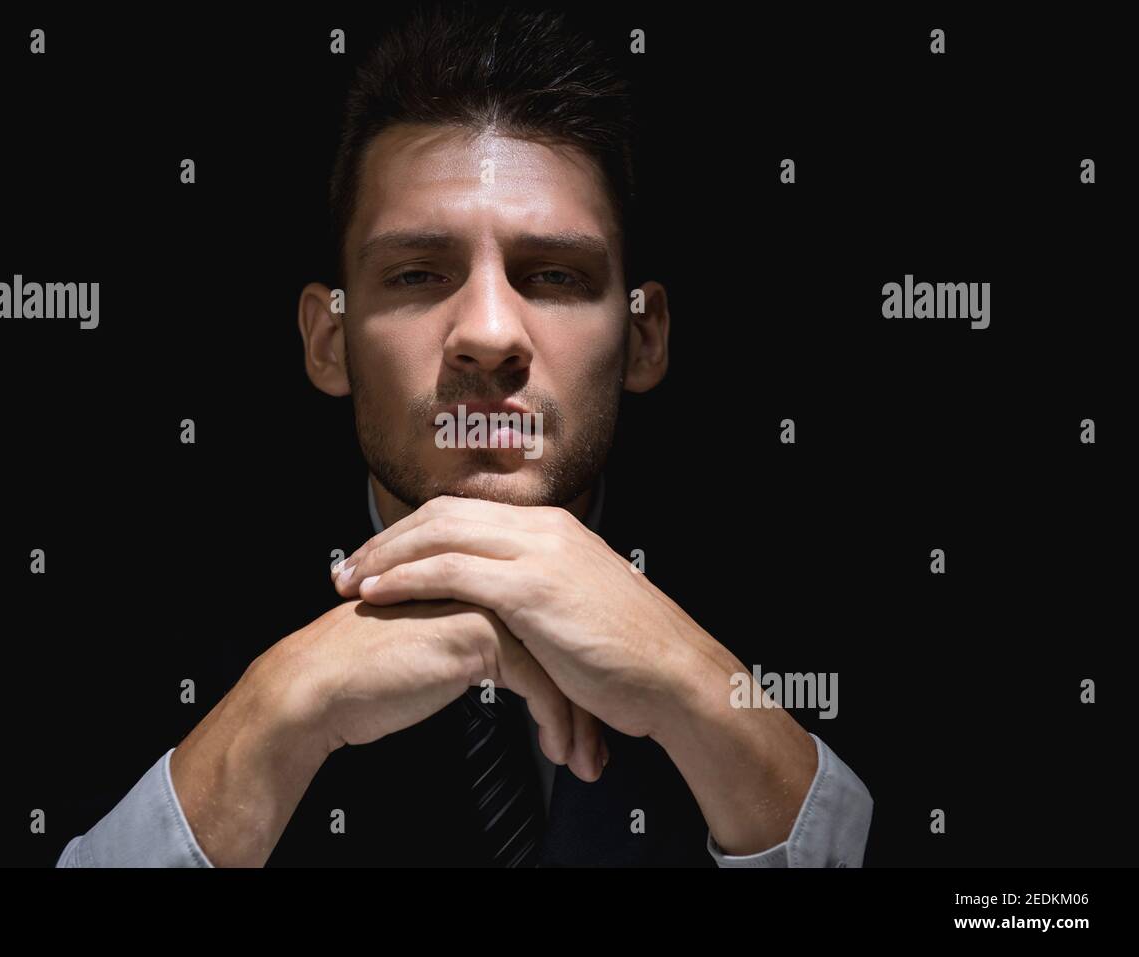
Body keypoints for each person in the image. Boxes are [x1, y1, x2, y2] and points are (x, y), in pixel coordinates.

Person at [57, 4, 872, 868]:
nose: (488, 331)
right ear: (328, 339)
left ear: (644, 337)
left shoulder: (824, 614)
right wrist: (273, 712)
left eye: (554, 275)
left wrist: (706, 693)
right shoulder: (134, 641)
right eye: (417, 274)